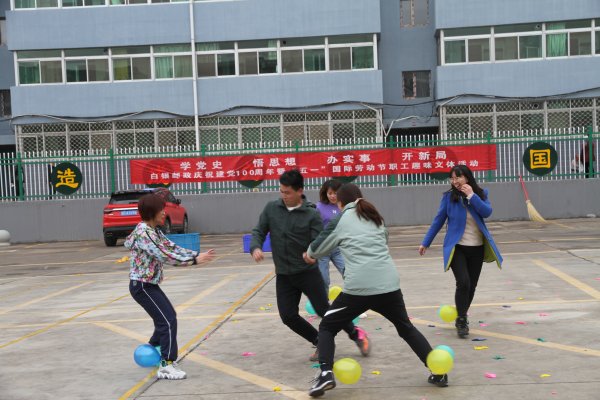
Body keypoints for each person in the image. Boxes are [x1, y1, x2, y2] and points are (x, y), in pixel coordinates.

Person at [304, 183, 447, 397]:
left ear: (341, 203)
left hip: (358, 288)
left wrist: (309, 254)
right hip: (389, 285)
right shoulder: (374, 216)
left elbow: (318, 248)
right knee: (405, 327)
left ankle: (325, 374)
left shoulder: (342, 219)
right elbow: (383, 240)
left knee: (327, 326)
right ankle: (438, 371)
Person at [250, 170, 369, 362]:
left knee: (325, 311)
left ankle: (356, 334)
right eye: (281, 191)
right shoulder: (272, 209)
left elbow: (318, 240)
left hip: (307, 273)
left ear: (299, 191)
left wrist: (314, 254)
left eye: (288, 192)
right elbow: (259, 230)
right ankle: (319, 340)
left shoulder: (311, 214)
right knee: (288, 316)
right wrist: (255, 247)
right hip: (284, 274)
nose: (284, 196)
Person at [125, 193, 215, 380]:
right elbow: (164, 255)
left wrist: (196, 255)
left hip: (149, 284)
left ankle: (153, 349)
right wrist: (194, 261)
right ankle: (166, 364)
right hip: (142, 286)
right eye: (161, 210)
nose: (164, 213)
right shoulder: (144, 233)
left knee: (168, 317)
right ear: (152, 212)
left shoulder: (154, 231)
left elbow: (172, 247)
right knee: (167, 320)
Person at [419, 165, 502, 339]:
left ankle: (461, 314)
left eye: (458, 177)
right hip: (457, 247)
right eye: (452, 178)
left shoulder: (480, 194)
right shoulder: (449, 197)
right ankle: (462, 320)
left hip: (477, 247)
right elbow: (438, 220)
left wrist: (471, 195)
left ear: (467, 178)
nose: (455, 181)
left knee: (471, 286)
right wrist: (426, 242)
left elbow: (487, 212)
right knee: (463, 282)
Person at [316, 179, 345, 291]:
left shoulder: (344, 206)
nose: (333, 196)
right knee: (323, 279)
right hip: (323, 249)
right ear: (325, 193)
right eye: (330, 193)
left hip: (338, 248)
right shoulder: (319, 207)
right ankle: (324, 300)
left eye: (335, 193)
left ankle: (353, 297)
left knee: (348, 273)